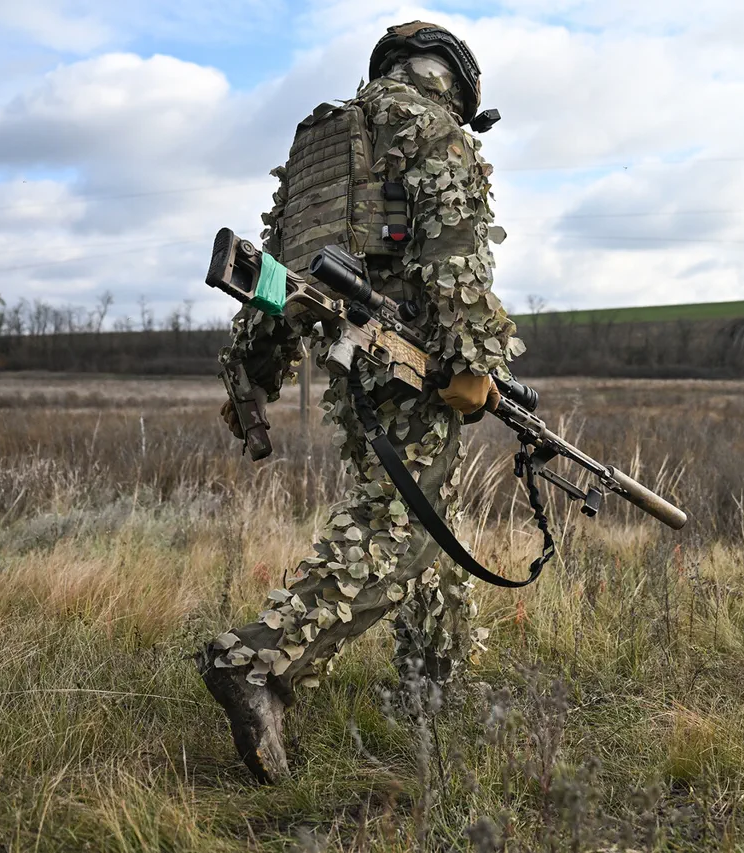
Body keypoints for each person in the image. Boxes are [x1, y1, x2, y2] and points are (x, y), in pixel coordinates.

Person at [196, 21, 523, 784]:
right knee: (397, 526)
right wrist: (473, 361)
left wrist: (254, 375)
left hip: (355, 358)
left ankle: (435, 686)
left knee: (424, 517)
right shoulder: (431, 129)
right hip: (414, 359)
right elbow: (457, 248)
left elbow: (280, 273)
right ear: (455, 81)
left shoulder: (327, 140)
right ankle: (260, 663)